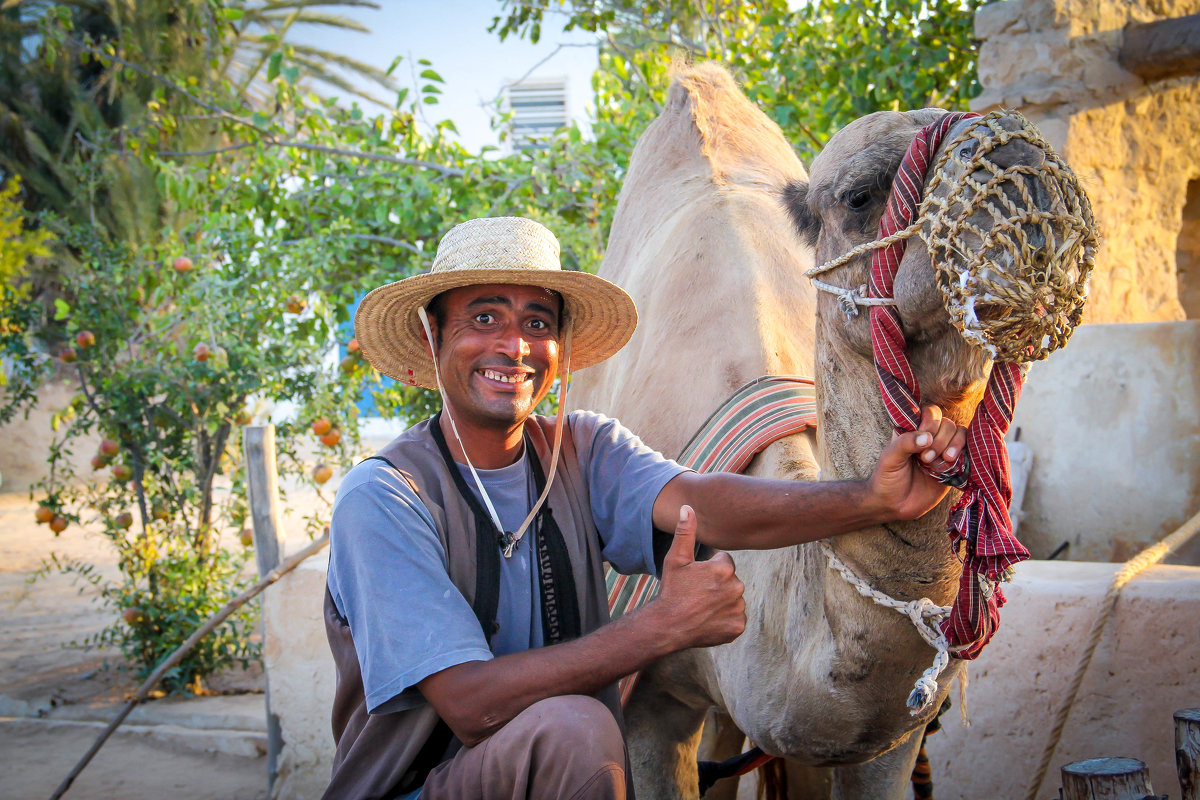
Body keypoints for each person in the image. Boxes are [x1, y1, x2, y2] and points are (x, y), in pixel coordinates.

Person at [324, 217, 967, 800]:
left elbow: (703, 503)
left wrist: (869, 498)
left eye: (538, 323)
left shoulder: (583, 449)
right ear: (433, 335)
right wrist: (665, 626)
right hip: (419, 788)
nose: (515, 346)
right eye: (484, 319)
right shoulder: (385, 498)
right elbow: (471, 704)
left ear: (560, 347)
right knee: (576, 729)